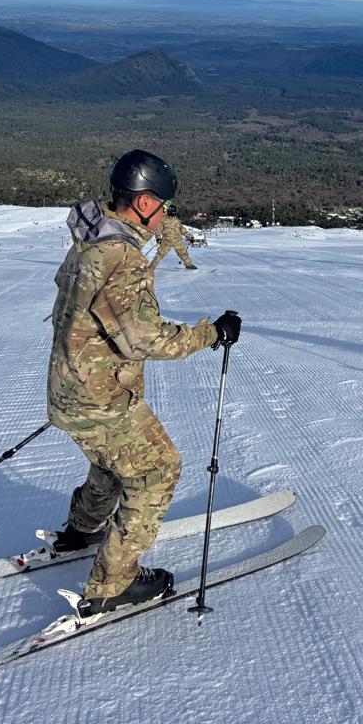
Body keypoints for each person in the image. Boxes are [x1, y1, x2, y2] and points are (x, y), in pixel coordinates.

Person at [46, 149, 241, 616]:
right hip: (102, 397)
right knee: (157, 470)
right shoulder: (123, 256)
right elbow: (143, 338)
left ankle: (83, 530)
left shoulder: (90, 238)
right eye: (165, 205)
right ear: (146, 201)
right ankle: (113, 583)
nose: (167, 215)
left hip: (70, 389)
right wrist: (210, 333)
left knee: (112, 464)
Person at [150, 204, 202, 271]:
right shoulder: (163, 220)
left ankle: (189, 265)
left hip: (178, 241)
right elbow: (158, 230)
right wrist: (158, 238)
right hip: (166, 241)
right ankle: (151, 267)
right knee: (160, 254)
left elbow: (183, 230)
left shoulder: (177, 221)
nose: (173, 212)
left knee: (183, 253)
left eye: (174, 211)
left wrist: (190, 237)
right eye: (172, 211)